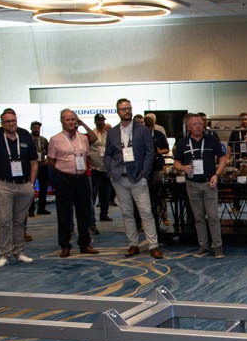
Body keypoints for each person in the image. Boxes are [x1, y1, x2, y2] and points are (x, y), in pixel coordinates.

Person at [0, 108, 38, 268]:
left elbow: (34, 162)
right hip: (4, 185)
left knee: (19, 221)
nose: (11, 124)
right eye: (8, 121)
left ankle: (19, 252)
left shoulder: (25, 136)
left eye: (13, 121)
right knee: (4, 221)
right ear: (2, 123)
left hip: (24, 185)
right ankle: (5, 254)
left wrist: (32, 183)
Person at [104, 98, 162, 259]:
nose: (127, 111)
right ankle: (133, 244)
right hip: (119, 178)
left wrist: (145, 173)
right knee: (127, 213)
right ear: (118, 111)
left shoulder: (142, 130)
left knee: (146, 212)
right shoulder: (112, 132)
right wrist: (110, 172)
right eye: (123, 109)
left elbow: (150, 152)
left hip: (138, 178)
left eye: (129, 108)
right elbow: (108, 154)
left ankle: (153, 245)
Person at [47, 109, 99, 258]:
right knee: (64, 213)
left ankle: (85, 243)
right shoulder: (55, 139)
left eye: (73, 119)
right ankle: (65, 245)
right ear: (62, 121)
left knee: (84, 212)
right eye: (67, 119)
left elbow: (87, 156)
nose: (70, 122)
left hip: (81, 178)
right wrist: (62, 172)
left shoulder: (83, 138)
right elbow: (51, 160)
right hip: (64, 179)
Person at [175, 112, 228, 257]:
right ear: (188, 127)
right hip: (192, 184)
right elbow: (176, 163)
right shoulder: (182, 143)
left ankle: (218, 247)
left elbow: (223, 158)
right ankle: (203, 246)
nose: (197, 127)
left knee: (213, 216)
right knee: (198, 217)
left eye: (200, 124)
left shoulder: (211, 140)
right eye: (194, 124)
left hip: (209, 183)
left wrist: (217, 174)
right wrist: (183, 168)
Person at [88, 113, 112, 224]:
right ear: (95, 122)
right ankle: (90, 216)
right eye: (99, 120)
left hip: (106, 168)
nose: (101, 122)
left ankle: (104, 214)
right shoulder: (92, 134)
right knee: (93, 194)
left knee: (106, 194)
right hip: (95, 169)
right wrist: (89, 163)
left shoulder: (108, 135)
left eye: (102, 120)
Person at [29, 121, 51, 216]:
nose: (37, 130)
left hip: (42, 165)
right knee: (30, 187)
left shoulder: (43, 140)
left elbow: (49, 151)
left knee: (43, 187)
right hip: (31, 166)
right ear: (31, 128)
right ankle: (31, 210)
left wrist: (47, 160)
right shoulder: (28, 139)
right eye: (35, 128)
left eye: (38, 128)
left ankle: (41, 208)